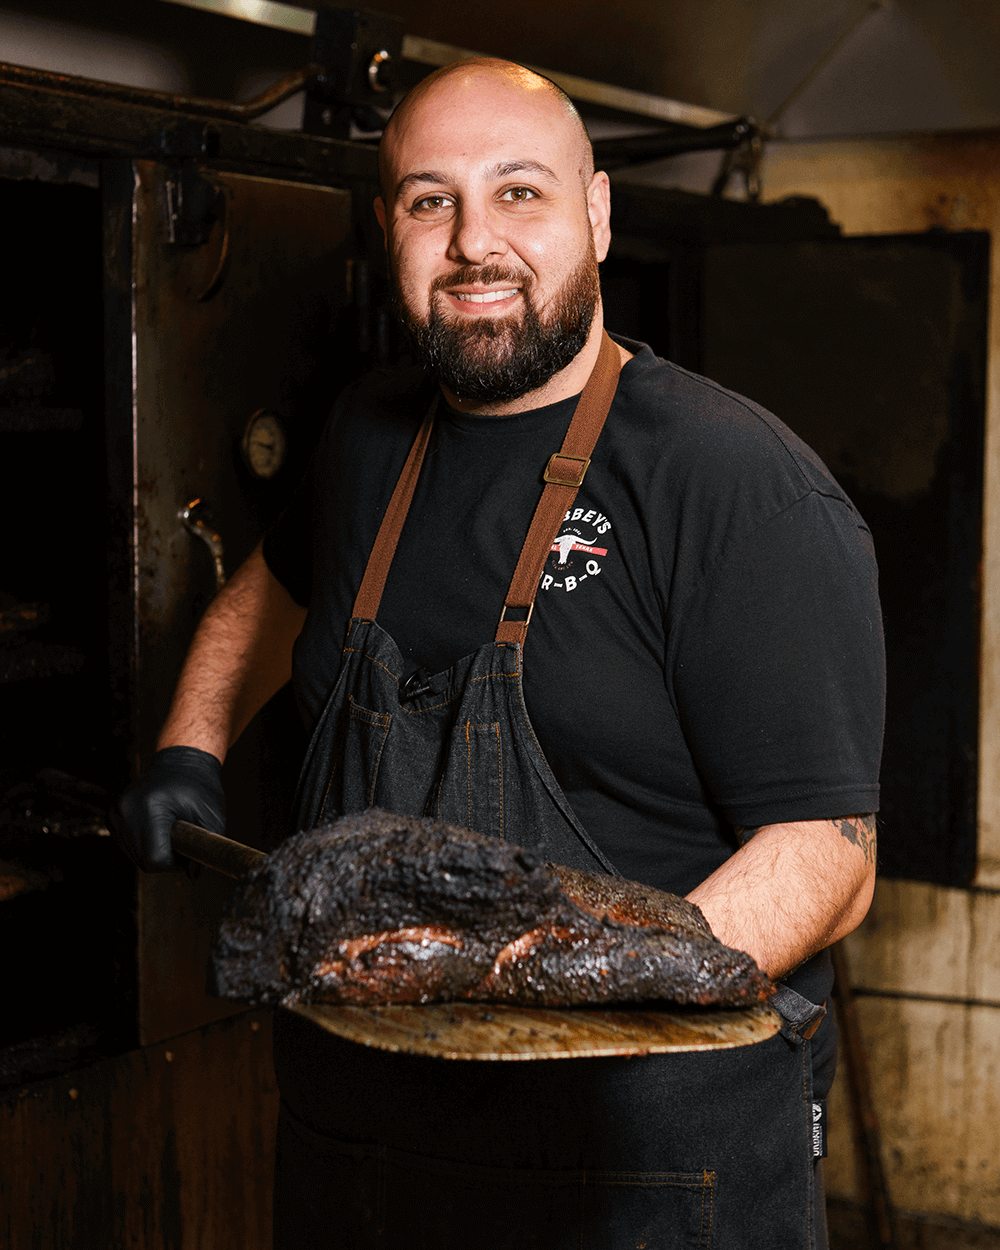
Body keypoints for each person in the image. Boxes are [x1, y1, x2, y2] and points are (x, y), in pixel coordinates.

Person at [112, 58, 884, 1249]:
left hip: (640, 1164)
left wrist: (554, 990)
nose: (475, 242)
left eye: (519, 191)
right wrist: (189, 744)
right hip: (365, 1140)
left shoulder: (731, 483)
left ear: (598, 213)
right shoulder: (372, 430)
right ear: (389, 230)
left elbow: (826, 855)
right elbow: (270, 592)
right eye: (432, 200)